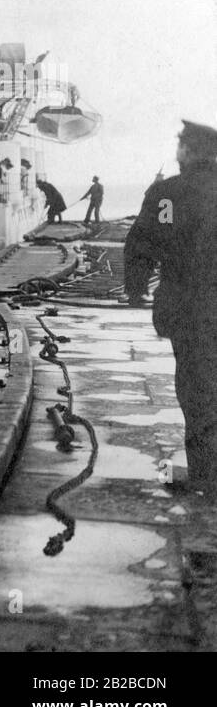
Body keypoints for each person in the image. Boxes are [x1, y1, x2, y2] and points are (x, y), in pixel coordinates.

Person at [124, 119, 217, 495]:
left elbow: (144, 242)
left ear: (188, 151)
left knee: (195, 387)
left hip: (187, 307)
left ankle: (206, 476)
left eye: (180, 144)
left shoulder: (167, 195)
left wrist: (136, 289)